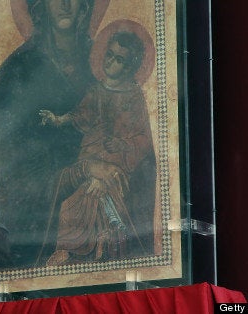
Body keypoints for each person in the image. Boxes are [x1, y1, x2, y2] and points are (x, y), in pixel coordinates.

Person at [0, 0, 97, 271]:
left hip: (95, 201)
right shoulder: (18, 68)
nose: (66, 5)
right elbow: (8, 147)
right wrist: (66, 171)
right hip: (33, 217)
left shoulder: (104, 58)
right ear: (41, 5)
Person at [38, 30, 156, 265]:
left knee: (88, 200)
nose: (111, 62)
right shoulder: (96, 91)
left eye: (119, 59)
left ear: (130, 66)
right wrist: (57, 119)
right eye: (109, 55)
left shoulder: (134, 97)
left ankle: (91, 244)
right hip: (89, 159)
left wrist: (122, 144)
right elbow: (79, 116)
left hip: (118, 166)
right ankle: (75, 248)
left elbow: (144, 139)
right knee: (70, 206)